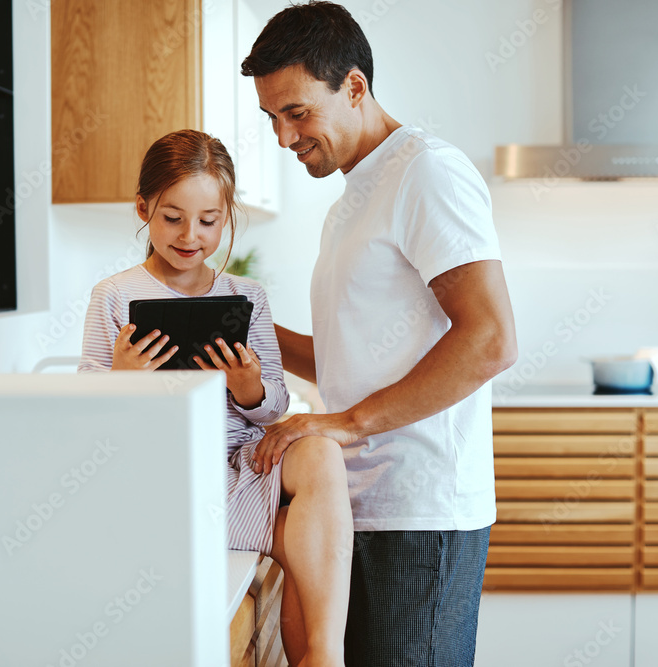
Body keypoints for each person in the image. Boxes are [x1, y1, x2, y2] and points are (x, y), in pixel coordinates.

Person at [241, 3, 518, 666]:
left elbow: (491, 338)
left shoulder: (426, 171)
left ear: (356, 87)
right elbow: (345, 355)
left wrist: (347, 423)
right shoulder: (351, 200)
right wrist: (244, 333)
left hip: (419, 512)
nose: (283, 136)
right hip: (361, 502)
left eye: (297, 112)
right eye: (271, 118)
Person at [78, 129, 353, 667]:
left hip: (243, 466)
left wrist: (249, 389)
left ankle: (325, 657)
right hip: (165, 480)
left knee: (321, 450)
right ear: (143, 208)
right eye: (172, 217)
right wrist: (120, 377)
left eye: (208, 220)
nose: (190, 235)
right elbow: (88, 417)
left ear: (227, 216)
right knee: (302, 546)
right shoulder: (113, 295)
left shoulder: (245, 296)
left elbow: (274, 404)